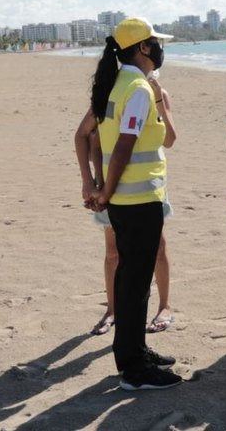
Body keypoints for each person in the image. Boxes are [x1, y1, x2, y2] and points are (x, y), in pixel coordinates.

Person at [88, 17, 181, 391]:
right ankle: (133, 368)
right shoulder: (138, 88)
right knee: (135, 283)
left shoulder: (115, 83)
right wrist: (105, 192)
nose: (160, 49)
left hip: (128, 199)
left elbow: (97, 140)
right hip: (137, 199)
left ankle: (135, 350)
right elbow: (124, 144)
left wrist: (100, 186)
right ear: (143, 48)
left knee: (129, 278)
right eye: (156, 43)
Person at [74, 72, 177, 336]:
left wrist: (158, 101)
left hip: (149, 186)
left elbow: (170, 139)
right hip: (112, 188)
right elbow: (87, 138)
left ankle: (164, 306)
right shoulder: (110, 95)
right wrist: (91, 182)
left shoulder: (156, 95)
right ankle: (112, 309)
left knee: (158, 246)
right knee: (112, 252)